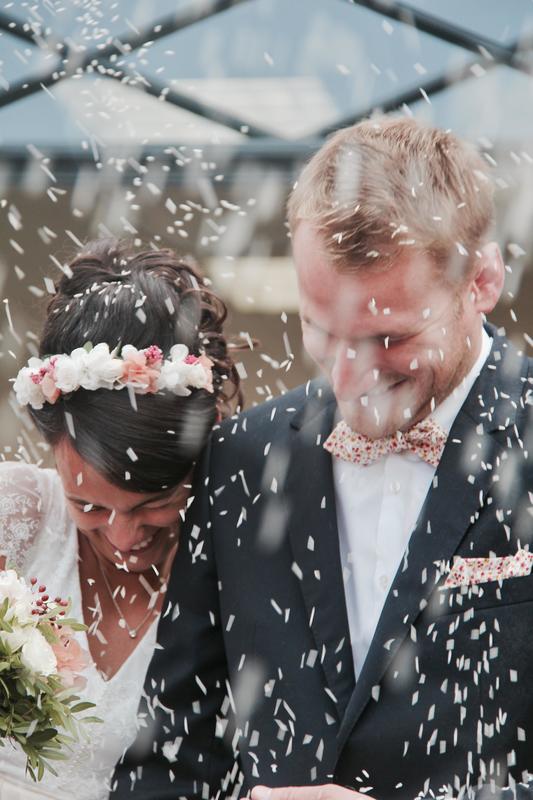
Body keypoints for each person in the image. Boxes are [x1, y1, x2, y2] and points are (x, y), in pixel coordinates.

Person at [112, 117, 533, 800]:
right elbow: (169, 757)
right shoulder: (243, 457)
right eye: (319, 328)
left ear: (480, 282)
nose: (349, 377)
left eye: (388, 338)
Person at [0, 239, 241, 800]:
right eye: (88, 506)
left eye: (154, 504)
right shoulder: (15, 516)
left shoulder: (237, 557)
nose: (123, 536)